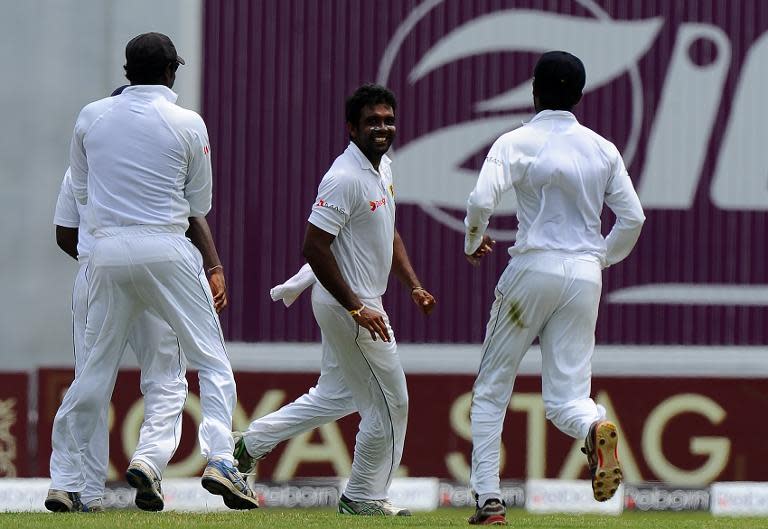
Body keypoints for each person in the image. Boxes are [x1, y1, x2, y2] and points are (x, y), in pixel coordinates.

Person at [48, 32, 258, 510]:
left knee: (93, 374)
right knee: (210, 359)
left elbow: (80, 194)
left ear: (127, 71)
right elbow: (197, 204)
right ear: (171, 72)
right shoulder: (188, 122)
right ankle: (222, 459)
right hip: (165, 247)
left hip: (102, 252)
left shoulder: (90, 117)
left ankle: (68, 482)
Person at [236, 84, 436, 516]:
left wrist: (413, 285)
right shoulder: (344, 177)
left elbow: (389, 232)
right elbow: (313, 247)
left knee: (336, 396)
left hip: (356, 303)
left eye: (387, 119)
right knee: (391, 403)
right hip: (351, 305)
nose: (382, 128)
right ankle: (363, 497)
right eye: (372, 121)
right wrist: (356, 308)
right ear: (351, 128)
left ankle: (250, 444)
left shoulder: (382, 169)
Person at [463, 51, 645, 525]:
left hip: (532, 268)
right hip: (585, 275)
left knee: (491, 389)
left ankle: (488, 500)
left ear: (534, 90)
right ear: (580, 95)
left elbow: (482, 198)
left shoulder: (517, 140)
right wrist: (600, 256)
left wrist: (473, 237)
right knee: (568, 399)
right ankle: (594, 425)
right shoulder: (602, 148)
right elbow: (633, 218)